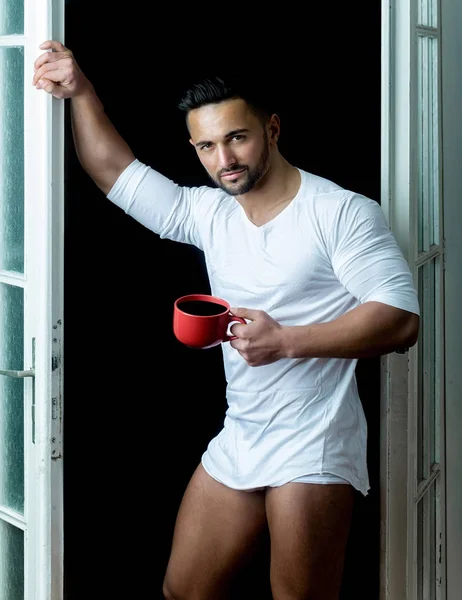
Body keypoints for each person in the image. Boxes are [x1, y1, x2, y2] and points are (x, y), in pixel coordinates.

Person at [33, 40, 420, 600]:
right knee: (184, 590)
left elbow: (400, 319)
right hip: (242, 432)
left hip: (313, 442)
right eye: (207, 146)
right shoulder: (210, 213)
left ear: (273, 128)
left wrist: (286, 341)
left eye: (237, 137)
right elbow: (112, 170)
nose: (225, 160)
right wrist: (82, 92)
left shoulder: (340, 212)